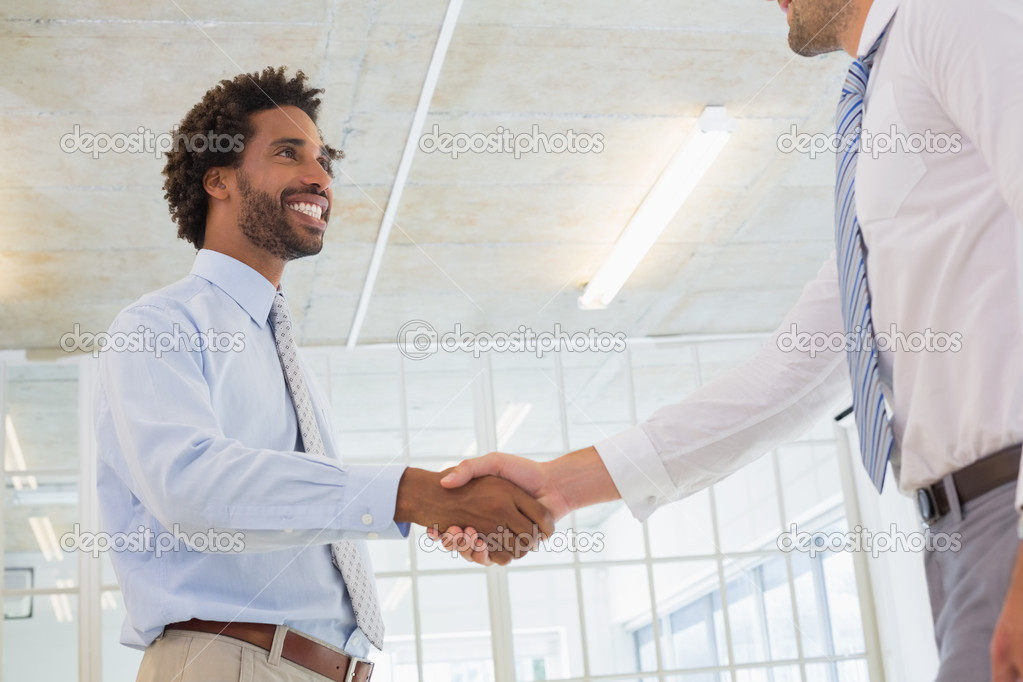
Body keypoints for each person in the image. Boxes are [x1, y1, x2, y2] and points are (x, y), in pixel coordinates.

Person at [435, 0, 1023, 679]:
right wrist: (559, 486)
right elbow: (793, 373)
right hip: (956, 537)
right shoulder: (874, 115)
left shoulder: (956, 16)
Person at [94, 66, 553, 682]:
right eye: (289, 153)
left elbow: (296, 513)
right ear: (219, 180)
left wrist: (446, 511)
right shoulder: (158, 324)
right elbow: (191, 488)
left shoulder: (287, 358)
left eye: (324, 161)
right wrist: (411, 495)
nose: (321, 177)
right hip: (226, 663)